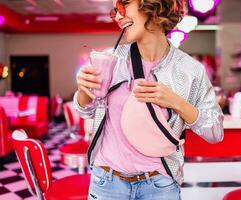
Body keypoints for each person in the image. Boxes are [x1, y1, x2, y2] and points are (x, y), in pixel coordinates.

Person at [74, 0, 224, 199]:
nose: (117, 16)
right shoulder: (112, 60)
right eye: (114, 11)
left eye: (123, 4)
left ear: (152, 4)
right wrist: (84, 90)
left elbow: (215, 132)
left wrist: (175, 102)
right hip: (107, 183)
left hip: (159, 186)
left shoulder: (190, 70)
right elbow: (85, 110)